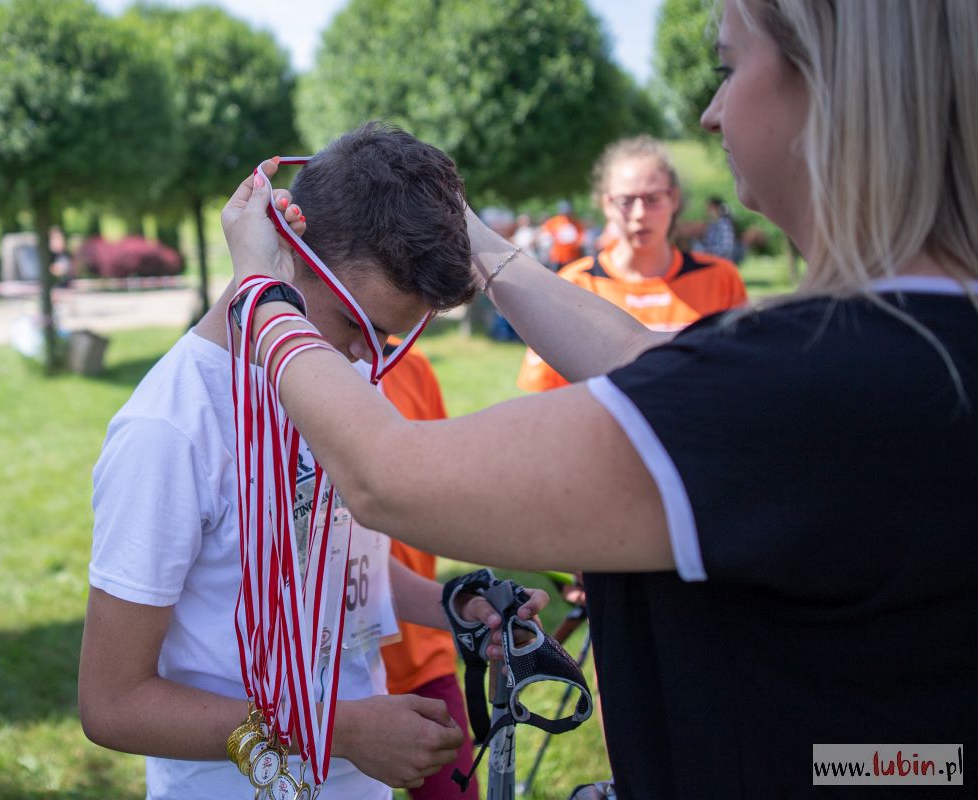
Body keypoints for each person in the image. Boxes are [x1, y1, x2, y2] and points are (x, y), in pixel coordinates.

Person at [219, 2, 978, 797]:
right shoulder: (910, 350)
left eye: (728, 68)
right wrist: (469, 234)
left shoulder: (801, 387)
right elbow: (644, 362)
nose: (711, 112)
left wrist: (266, 295)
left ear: (829, 86)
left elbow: (387, 476)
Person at [78, 122, 546, 800]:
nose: (367, 357)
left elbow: (327, 563)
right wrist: (337, 732)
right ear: (284, 249)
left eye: (388, 338)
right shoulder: (171, 429)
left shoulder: (333, 375)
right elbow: (113, 702)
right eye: (358, 323)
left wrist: (451, 605)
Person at [518, 136, 747, 392]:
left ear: (674, 199)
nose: (639, 214)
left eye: (652, 199)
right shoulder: (574, 283)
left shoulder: (719, 278)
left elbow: (740, 378)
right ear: (607, 205)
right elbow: (545, 395)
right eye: (626, 201)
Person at [377, 343, 478, 800]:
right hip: (330, 671)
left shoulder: (412, 367)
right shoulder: (281, 376)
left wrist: (460, 607)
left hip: (419, 647)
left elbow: (443, 494)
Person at [539, 201, 585, 271]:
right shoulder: (554, 222)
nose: (566, 215)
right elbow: (545, 234)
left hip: (572, 257)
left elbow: (580, 239)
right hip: (557, 258)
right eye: (564, 213)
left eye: (568, 213)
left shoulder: (576, 224)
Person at [696, 195, 741, 263]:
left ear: (715, 207)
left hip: (720, 261)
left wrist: (706, 252)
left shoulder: (724, 224)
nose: (707, 210)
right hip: (710, 257)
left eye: (709, 207)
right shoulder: (712, 224)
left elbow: (725, 248)